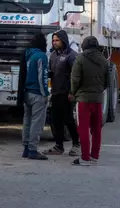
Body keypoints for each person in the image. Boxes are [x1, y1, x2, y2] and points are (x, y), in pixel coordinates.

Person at [69, 36, 109, 166]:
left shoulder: (80, 59)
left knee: (83, 128)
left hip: (83, 99)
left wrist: (72, 93)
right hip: (98, 99)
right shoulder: (103, 60)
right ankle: (94, 156)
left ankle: (85, 157)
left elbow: (75, 79)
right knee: (97, 129)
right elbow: (107, 81)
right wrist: (98, 91)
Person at [44, 30, 81, 156]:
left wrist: (72, 92)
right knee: (55, 120)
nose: (54, 42)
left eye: (57, 40)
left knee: (69, 119)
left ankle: (76, 144)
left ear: (63, 41)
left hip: (67, 94)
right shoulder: (53, 56)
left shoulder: (72, 56)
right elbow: (51, 74)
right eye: (53, 40)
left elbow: (75, 76)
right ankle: (58, 146)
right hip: (55, 93)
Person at [19, 33, 50, 160]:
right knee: (37, 123)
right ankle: (33, 149)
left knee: (27, 121)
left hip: (27, 93)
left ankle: (26, 148)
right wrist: (45, 94)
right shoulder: (41, 56)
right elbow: (42, 76)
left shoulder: (28, 55)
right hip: (37, 93)